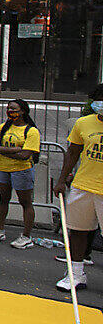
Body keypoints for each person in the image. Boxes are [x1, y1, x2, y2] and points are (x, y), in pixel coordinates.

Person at [54, 85, 103, 290]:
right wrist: (61, 180)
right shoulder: (83, 123)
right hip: (83, 186)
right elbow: (73, 152)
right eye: (98, 99)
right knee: (78, 231)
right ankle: (75, 274)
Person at [0, 99, 39, 249]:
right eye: (8, 108)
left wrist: (2, 150)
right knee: (3, 198)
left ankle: (26, 236)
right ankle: (0, 229)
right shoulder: (3, 127)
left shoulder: (31, 131)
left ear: (23, 111)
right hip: (3, 169)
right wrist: (14, 149)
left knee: (25, 202)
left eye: (14, 108)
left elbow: (25, 155)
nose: (10, 111)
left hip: (21, 171)